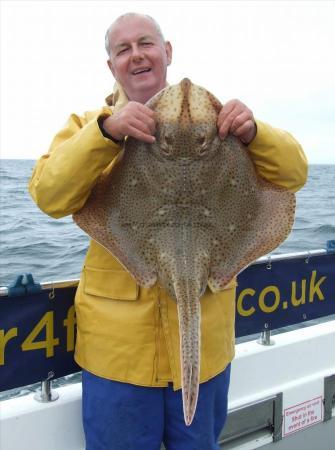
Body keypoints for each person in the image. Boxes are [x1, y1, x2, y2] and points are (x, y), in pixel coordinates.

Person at [29, 12, 308, 450]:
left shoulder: (219, 123)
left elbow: (294, 172)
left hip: (207, 350)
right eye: (123, 49)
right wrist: (107, 132)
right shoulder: (90, 124)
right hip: (119, 359)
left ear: (167, 52)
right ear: (112, 66)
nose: (136, 55)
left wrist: (255, 134)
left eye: (146, 43)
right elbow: (49, 195)